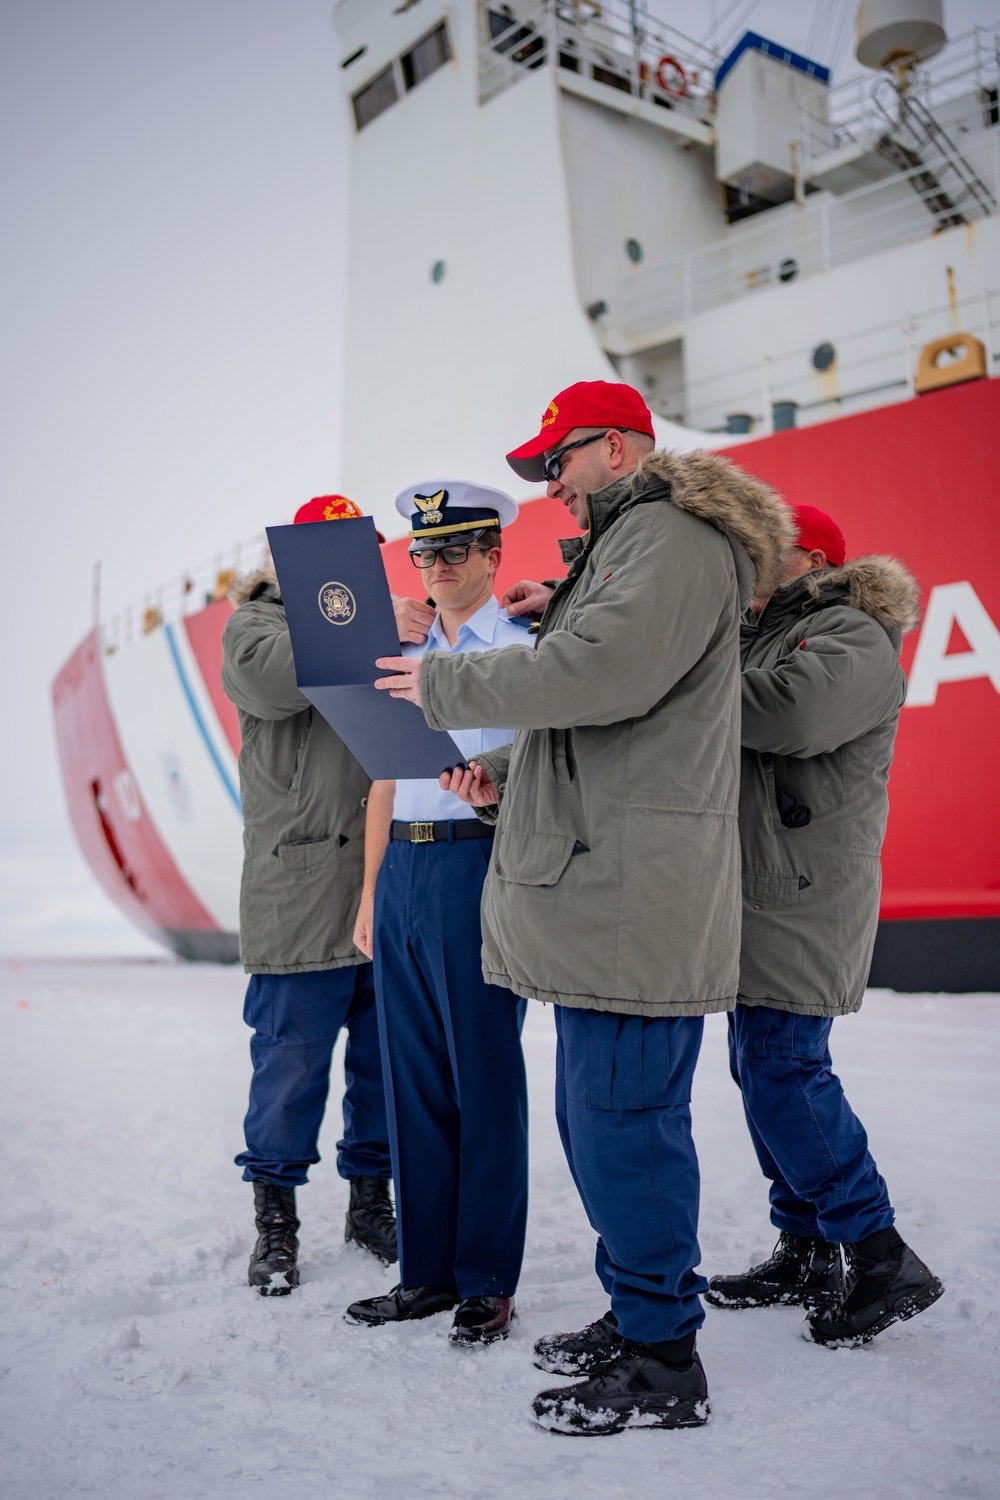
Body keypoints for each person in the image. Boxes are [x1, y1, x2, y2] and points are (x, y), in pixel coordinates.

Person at [373, 382, 793, 1433]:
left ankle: (662, 1363)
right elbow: (602, 715)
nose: (550, 487)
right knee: (597, 1116)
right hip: (607, 870)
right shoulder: (635, 542)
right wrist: (507, 774)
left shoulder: (670, 538)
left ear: (614, 447)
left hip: (630, 883)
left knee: (623, 1120)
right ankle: (637, 1314)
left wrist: (443, 689)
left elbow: (598, 677)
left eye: (556, 463)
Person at [704, 502, 944, 1346]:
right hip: (760, 892)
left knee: (785, 1071)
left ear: (805, 557)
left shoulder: (851, 635)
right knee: (759, 1066)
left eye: (756, 555)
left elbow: (787, 717)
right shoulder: (765, 634)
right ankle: (805, 1246)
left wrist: (675, 668)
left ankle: (880, 1254)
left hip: (802, 894)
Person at [346, 480, 530, 1346]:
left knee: (482, 1076)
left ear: (493, 555)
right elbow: (384, 780)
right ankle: (426, 1271)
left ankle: (487, 1279)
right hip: (409, 870)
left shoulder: (526, 645)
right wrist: (370, 892)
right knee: (409, 1079)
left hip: (482, 863)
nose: (437, 565)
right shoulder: (400, 653)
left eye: (455, 549)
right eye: (423, 551)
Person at [222, 494, 399, 1295]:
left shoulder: (380, 625)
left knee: (385, 1066)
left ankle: (371, 1202)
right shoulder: (255, 628)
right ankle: (276, 1219)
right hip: (298, 895)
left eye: (353, 547)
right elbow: (273, 682)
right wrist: (378, 628)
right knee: (290, 1069)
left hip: (385, 887)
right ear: (285, 559)